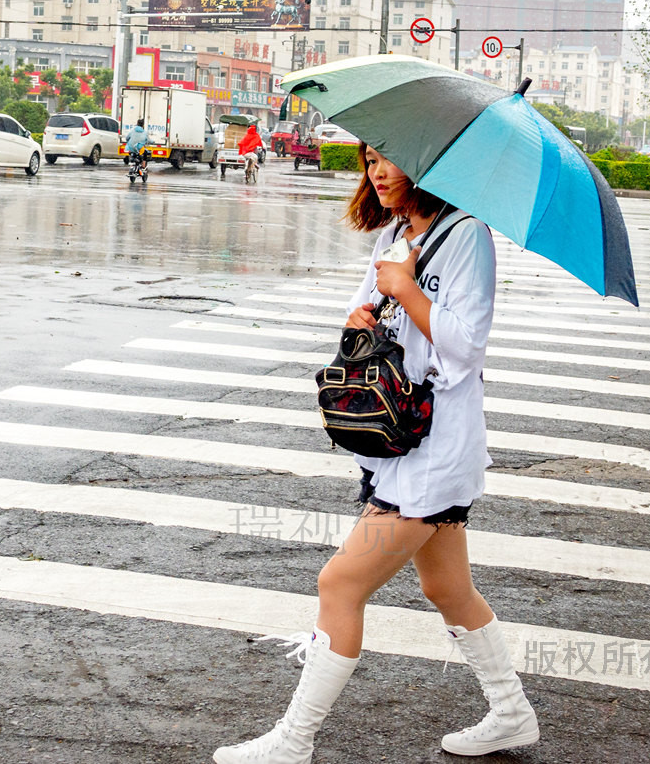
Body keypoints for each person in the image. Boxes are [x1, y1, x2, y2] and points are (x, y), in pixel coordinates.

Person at [213, 143, 540, 764]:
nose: (380, 172)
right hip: (402, 441)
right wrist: (363, 317)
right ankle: (512, 714)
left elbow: (466, 349)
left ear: (434, 164)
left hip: (436, 448)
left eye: (392, 159)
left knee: (339, 582)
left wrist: (408, 289)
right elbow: (378, 323)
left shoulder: (467, 235)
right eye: (370, 160)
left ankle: (294, 741)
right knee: (448, 588)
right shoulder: (398, 233)